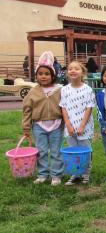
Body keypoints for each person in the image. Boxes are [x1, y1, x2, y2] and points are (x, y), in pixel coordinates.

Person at [22, 51, 63, 185]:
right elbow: (27, 110)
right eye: (40, 74)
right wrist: (26, 127)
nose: (43, 76)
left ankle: (56, 175)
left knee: (56, 151)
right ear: (36, 76)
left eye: (47, 74)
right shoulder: (33, 92)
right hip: (39, 126)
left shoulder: (60, 90)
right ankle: (43, 174)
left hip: (56, 125)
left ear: (53, 75)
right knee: (42, 151)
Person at [60, 60, 96, 185]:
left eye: (76, 68)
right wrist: (68, 125)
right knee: (72, 151)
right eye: (70, 69)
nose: (73, 70)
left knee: (85, 150)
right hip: (69, 127)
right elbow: (63, 108)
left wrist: (82, 126)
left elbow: (89, 108)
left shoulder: (88, 89)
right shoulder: (64, 90)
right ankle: (75, 174)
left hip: (84, 127)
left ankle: (86, 174)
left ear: (83, 72)